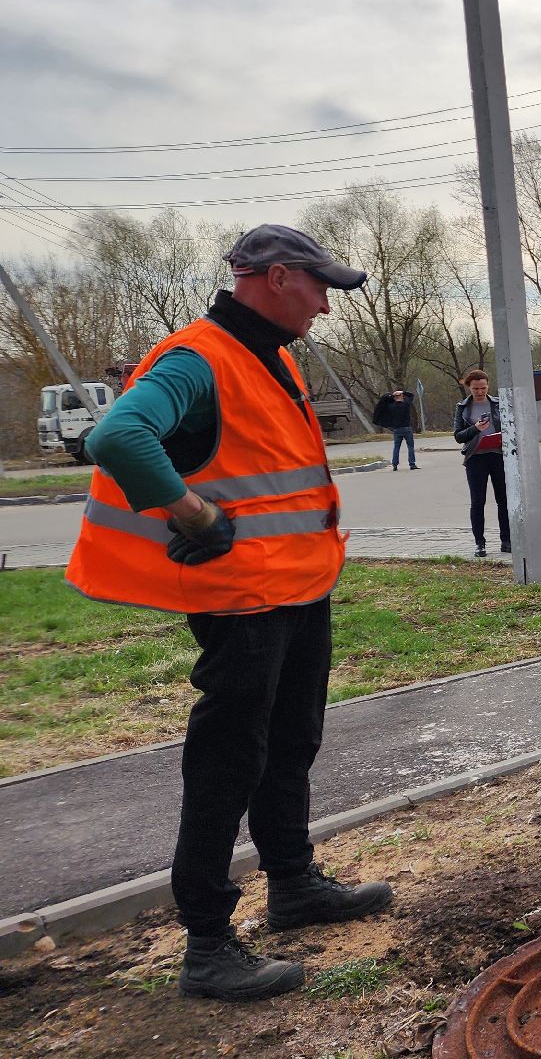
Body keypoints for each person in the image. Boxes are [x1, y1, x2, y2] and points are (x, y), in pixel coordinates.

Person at [66, 224, 393, 1002]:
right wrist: (193, 517)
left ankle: (294, 884)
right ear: (277, 279)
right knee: (228, 763)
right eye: (319, 287)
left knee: (291, 741)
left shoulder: (269, 354)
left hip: (296, 589)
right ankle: (208, 943)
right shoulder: (198, 357)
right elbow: (116, 434)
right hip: (243, 599)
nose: (325, 305)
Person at [454, 368, 511, 557]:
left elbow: (510, 425)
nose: (480, 392)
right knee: (478, 501)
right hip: (475, 458)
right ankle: (480, 543)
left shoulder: (497, 403)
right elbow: (458, 436)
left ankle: (507, 540)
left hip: (498, 455)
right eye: (476, 388)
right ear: (469, 388)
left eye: (484, 388)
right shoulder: (463, 408)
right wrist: (475, 429)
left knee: (503, 499)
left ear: (488, 386)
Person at [371, 387, 417, 470]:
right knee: (410, 446)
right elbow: (411, 395)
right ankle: (412, 464)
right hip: (407, 428)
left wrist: (391, 395)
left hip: (397, 429)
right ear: (402, 396)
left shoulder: (391, 406)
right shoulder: (406, 404)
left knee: (396, 447)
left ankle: (395, 464)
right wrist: (402, 391)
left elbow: (384, 400)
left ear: (395, 398)